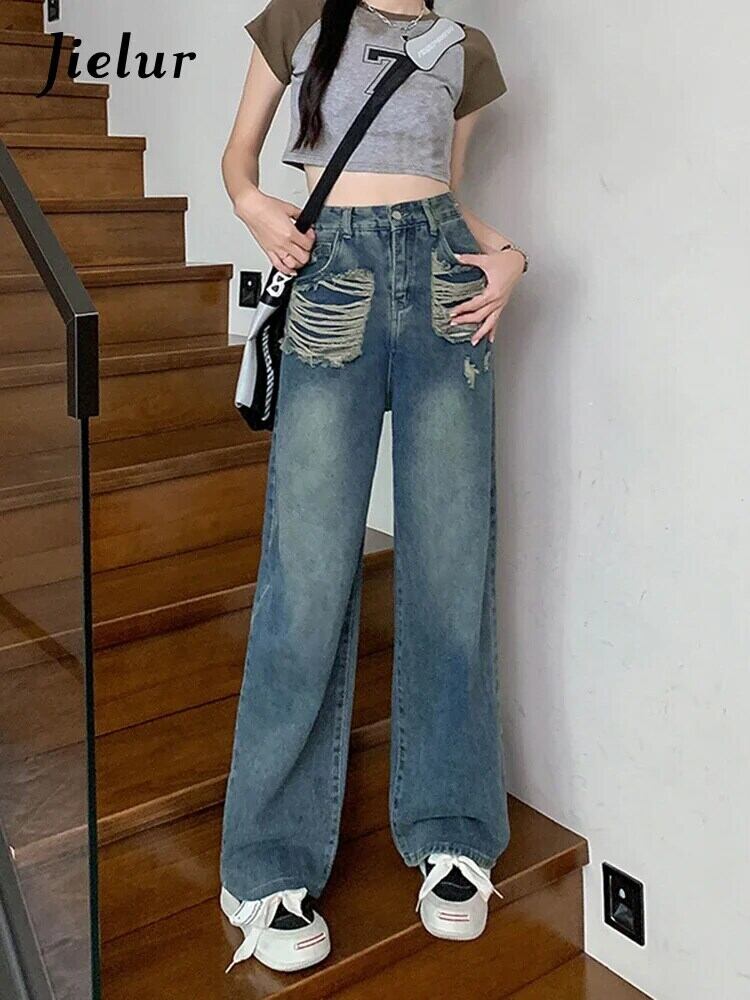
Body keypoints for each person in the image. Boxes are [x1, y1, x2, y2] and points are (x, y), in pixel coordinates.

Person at [219, 0, 528, 974]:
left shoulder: (467, 51)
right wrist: (254, 206)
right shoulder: (298, 19)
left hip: (444, 289)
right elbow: (240, 160)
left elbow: (446, 194)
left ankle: (453, 830)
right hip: (333, 280)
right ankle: (267, 862)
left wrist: (510, 258)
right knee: (307, 580)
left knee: (451, 571)